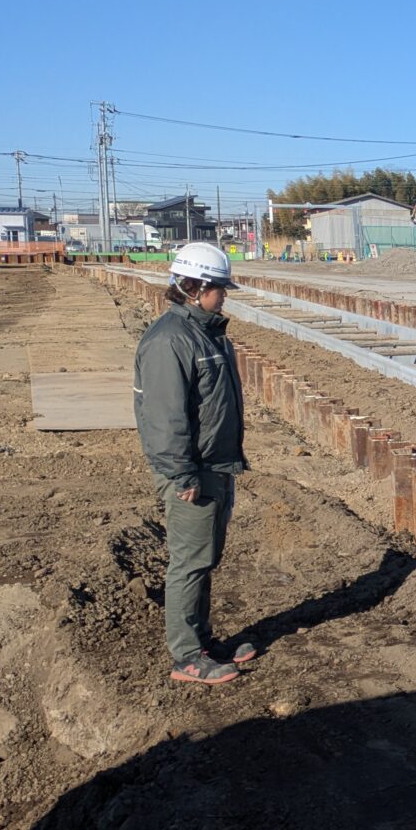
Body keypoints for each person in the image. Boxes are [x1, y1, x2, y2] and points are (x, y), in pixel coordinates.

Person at [133, 241, 255, 684]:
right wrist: (182, 473)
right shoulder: (171, 340)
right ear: (194, 287)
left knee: (205, 557)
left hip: (215, 465)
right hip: (192, 471)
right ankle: (186, 656)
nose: (224, 296)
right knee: (189, 562)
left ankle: (201, 642)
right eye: (219, 289)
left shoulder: (204, 333)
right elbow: (163, 419)